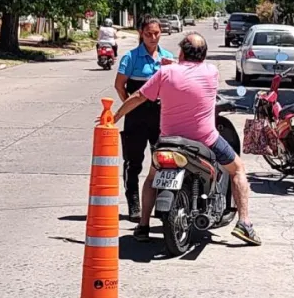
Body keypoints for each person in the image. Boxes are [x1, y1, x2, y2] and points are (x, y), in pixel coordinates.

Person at [112, 32, 261, 246]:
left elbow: (137, 97)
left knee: (152, 178)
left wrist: (115, 117)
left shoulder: (165, 73)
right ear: (204, 55)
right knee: (238, 169)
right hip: (206, 140)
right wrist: (175, 64)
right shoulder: (211, 72)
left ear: (181, 52)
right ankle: (244, 223)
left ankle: (143, 225)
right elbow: (190, 72)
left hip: (168, 141)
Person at [115, 17, 175, 221]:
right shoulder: (131, 58)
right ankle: (134, 203)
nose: (153, 37)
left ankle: (161, 203)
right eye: (149, 33)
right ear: (141, 33)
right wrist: (129, 105)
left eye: (156, 33)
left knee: (163, 160)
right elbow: (119, 85)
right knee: (134, 162)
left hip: (161, 117)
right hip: (136, 117)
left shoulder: (167, 57)